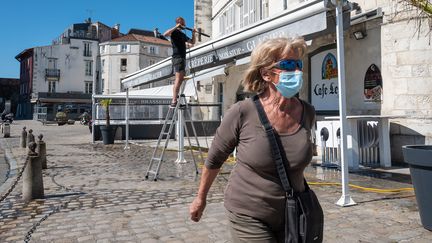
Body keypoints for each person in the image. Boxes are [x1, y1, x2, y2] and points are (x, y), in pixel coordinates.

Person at [189, 37, 317, 242]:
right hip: (248, 212)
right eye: (287, 65)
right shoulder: (243, 112)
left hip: (293, 212)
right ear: (266, 74)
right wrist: (200, 198)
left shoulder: (307, 113)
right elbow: (214, 159)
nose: (296, 71)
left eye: (298, 64)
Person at [163, 17, 197, 107]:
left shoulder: (182, 34)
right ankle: (174, 100)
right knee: (178, 80)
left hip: (182, 58)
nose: (185, 25)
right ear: (179, 23)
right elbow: (165, 34)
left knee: (181, 79)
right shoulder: (174, 32)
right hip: (177, 58)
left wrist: (193, 33)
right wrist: (175, 27)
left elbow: (192, 42)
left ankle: (176, 98)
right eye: (183, 23)